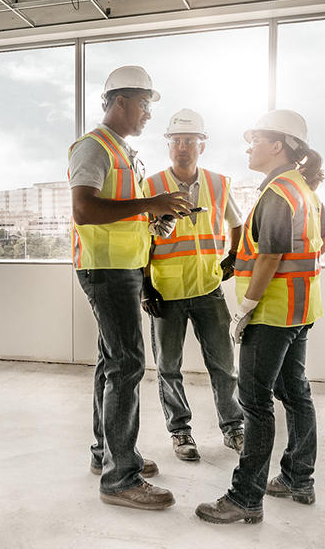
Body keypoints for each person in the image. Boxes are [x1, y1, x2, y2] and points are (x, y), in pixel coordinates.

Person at [195, 109, 325, 524]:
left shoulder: (278, 192)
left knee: (255, 404)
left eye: (255, 139)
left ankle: (246, 497)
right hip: (301, 309)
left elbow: (272, 254)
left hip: (272, 314)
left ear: (277, 145)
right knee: (295, 392)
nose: (248, 146)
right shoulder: (302, 189)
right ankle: (298, 478)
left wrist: (246, 307)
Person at [68, 65, 193, 510]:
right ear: (119, 101)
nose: (146, 115)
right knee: (127, 366)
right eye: (143, 104)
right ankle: (122, 478)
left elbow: (121, 210)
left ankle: (109, 453)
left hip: (122, 266)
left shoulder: (124, 151)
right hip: (106, 270)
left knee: (112, 362)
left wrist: (154, 217)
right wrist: (150, 202)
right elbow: (85, 209)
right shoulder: (93, 147)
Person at [140, 108, 245, 461]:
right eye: (176, 141)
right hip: (165, 292)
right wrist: (144, 285)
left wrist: (232, 256)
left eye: (189, 141)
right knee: (168, 367)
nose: (182, 147)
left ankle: (233, 428)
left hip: (208, 288)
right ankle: (180, 432)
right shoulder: (151, 186)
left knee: (224, 365)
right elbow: (140, 237)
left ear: (203, 145)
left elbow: (237, 222)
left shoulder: (218, 184)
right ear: (168, 145)